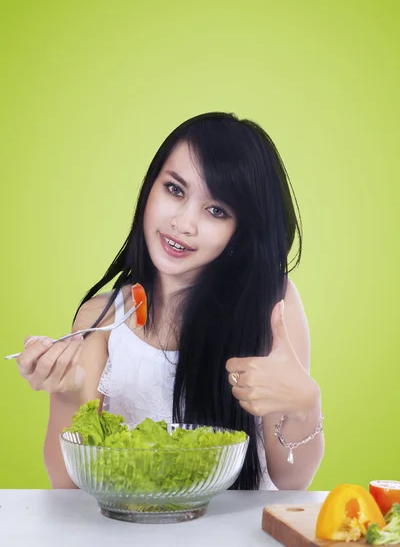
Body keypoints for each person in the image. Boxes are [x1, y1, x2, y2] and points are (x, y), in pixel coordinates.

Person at [16, 112, 324, 491]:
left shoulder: (270, 306)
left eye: (216, 211)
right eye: (175, 190)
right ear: (150, 187)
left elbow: (292, 480)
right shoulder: (100, 317)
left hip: (236, 543)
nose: (183, 223)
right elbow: (69, 489)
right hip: (131, 539)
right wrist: (64, 395)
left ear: (240, 232)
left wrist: (305, 404)